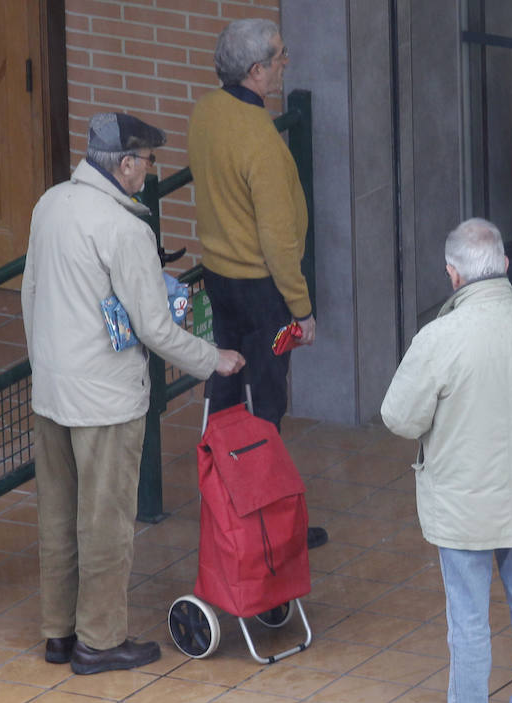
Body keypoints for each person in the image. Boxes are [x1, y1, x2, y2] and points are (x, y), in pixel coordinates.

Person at [21, 112, 245, 675]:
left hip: (51, 390)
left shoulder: (49, 205)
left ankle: (59, 633)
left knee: (58, 514)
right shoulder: (126, 230)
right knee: (106, 522)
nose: (151, 170)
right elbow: (155, 328)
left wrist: (46, 364)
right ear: (124, 164)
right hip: (105, 402)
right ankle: (99, 640)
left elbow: (29, 294)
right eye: (147, 161)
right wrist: (212, 359)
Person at [381, 218, 512, 703]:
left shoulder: (439, 339)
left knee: (468, 619)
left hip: (462, 507)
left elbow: (399, 417)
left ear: (451, 274)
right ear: (506, 266)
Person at [188, 17, 326, 549]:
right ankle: (267, 522)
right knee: (267, 404)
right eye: (278, 57)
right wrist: (302, 309)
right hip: (266, 295)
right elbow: (278, 238)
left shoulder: (204, 113)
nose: (284, 64)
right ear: (255, 70)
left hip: (218, 282)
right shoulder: (261, 141)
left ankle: (221, 508)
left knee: (223, 393)